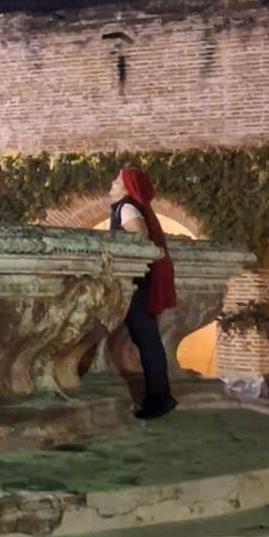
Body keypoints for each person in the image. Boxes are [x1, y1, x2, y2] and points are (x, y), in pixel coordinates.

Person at [109, 167, 178, 419]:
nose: (112, 183)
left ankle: (159, 399)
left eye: (117, 180)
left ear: (127, 188)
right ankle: (159, 397)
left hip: (134, 282)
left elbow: (140, 236)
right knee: (147, 339)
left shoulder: (127, 208)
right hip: (135, 280)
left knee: (147, 340)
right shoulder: (127, 206)